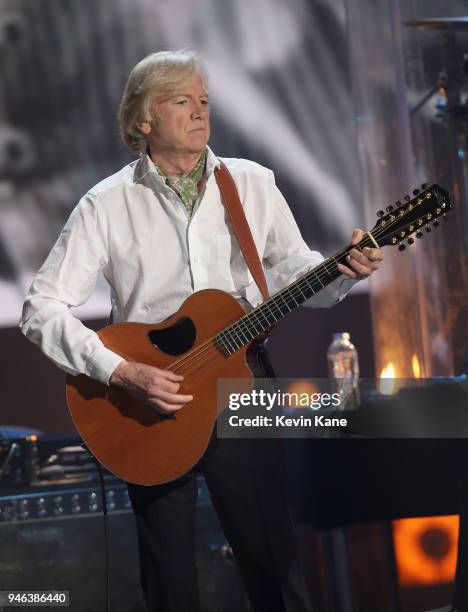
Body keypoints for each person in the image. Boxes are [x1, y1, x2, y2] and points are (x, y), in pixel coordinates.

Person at [20, 50, 383, 612]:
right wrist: (121, 370)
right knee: (170, 579)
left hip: (242, 383)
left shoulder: (251, 183)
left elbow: (294, 274)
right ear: (142, 120)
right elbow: (41, 308)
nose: (200, 112)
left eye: (205, 100)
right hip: (148, 401)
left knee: (274, 562)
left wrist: (340, 272)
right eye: (181, 100)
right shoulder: (106, 204)